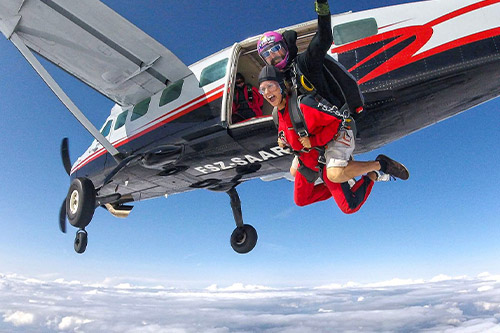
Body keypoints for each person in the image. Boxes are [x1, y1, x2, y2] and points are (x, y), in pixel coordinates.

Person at [258, 65, 409, 214]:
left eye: (270, 86)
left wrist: (314, 141)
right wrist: (282, 139)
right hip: (307, 160)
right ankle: (344, 177)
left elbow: (336, 122)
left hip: (322, 156)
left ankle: (379, 167)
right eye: (262, 89)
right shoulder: (276, 114)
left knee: (349, 206)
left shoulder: (304, 105)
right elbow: (286, 128)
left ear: (282, 86)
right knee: (301, 199)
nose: (266, 92)